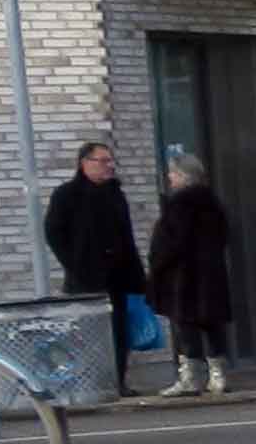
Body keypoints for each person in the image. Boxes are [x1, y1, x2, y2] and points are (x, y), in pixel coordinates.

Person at [41, 142, 148, 398]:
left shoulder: (115, 193)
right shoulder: (67, 195)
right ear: (84, 163)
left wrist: (137, 275)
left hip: (118, 276)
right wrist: (74, 264)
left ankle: (118, 381)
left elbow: (126, 236)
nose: (108, 166)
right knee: (88, 334)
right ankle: (89, 382)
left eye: (110, 161)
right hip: (85, 278)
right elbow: (54, 233)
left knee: (118, 332)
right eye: (102, 161)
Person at [143, 150, 238, 396]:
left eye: (173, 173)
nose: (170, 177)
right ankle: (218, 375)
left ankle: (190, 377)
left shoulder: (179, 204)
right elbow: (223, 237)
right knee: (212, 324)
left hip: (183, 276)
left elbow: (172, 243)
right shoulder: (213, 203)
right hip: (211, 273)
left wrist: (157, 265)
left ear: (185, 176)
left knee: (186, 326)